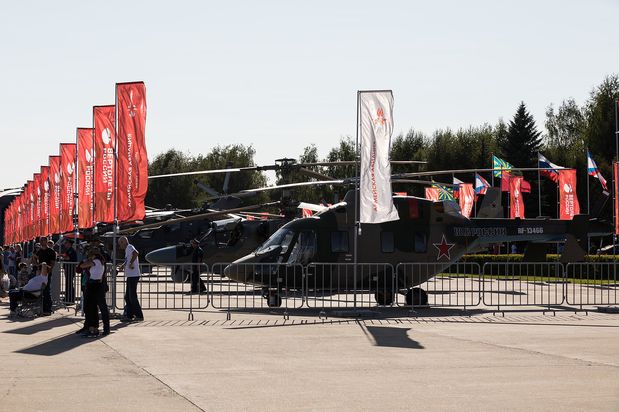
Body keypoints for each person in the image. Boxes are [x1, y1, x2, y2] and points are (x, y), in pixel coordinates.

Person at [78, 248, 110, 337]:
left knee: (90, 307)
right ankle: (105, 328)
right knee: (101, 307)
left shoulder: (95, 261)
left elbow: (82, 266)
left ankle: (92, 328)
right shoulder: (101, 262)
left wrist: (87, 260)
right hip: (99, 284)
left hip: (93, 284)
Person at [118, 236, 143, 321]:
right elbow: (127, 259)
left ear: (123, 242)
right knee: (128, 297)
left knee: (132, 296)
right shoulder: (127, 249)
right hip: (130, 275)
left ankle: (139, 315)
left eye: (120, 244)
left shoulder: (129, 247)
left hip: (133, 275)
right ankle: (129, 315)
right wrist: (123, 265)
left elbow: (136, 253)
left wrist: (131, 263)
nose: (119, 246)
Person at [36, 237, 57, 315]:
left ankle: (48, 309)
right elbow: (36, 259)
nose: (41, 242)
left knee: (46, 291)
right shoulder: (39, 251)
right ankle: (42, 309)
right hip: (40, 273)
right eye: (40, 241)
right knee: (41, 291)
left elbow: (52, 263)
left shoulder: (51, 251)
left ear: (46, 241)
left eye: (43, 241)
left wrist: (49, 271)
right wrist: (36, 264)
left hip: (47, 273)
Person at [60, 239, 78, 304]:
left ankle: (70, 299)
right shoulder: (68, 250)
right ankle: (68, 298)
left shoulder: (71, 250)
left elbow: (68, 258)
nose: (65, 244)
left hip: (70, 269)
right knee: (68, 284)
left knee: (69, 284)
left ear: (69, 244)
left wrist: (62, 256)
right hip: (68, 268)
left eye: (66, 243)